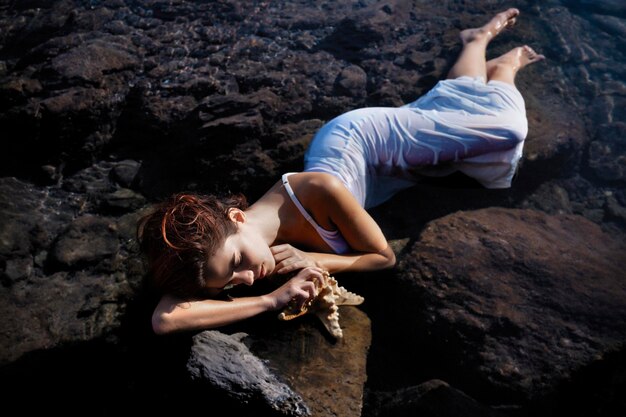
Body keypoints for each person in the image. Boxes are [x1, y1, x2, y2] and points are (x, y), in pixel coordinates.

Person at [137, 8, 545, 335]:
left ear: (238, 218)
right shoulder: (223, 261)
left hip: (359, 140)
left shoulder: (320, 190)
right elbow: (165, 319)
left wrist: (310, 258)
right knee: (449, 114)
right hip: (363, 173)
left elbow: (383, 258)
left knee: (507, 130)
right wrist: (269, 300)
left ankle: (499, 62)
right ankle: (474, 47)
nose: (246, 278)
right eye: (228, 285)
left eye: (238, 262)